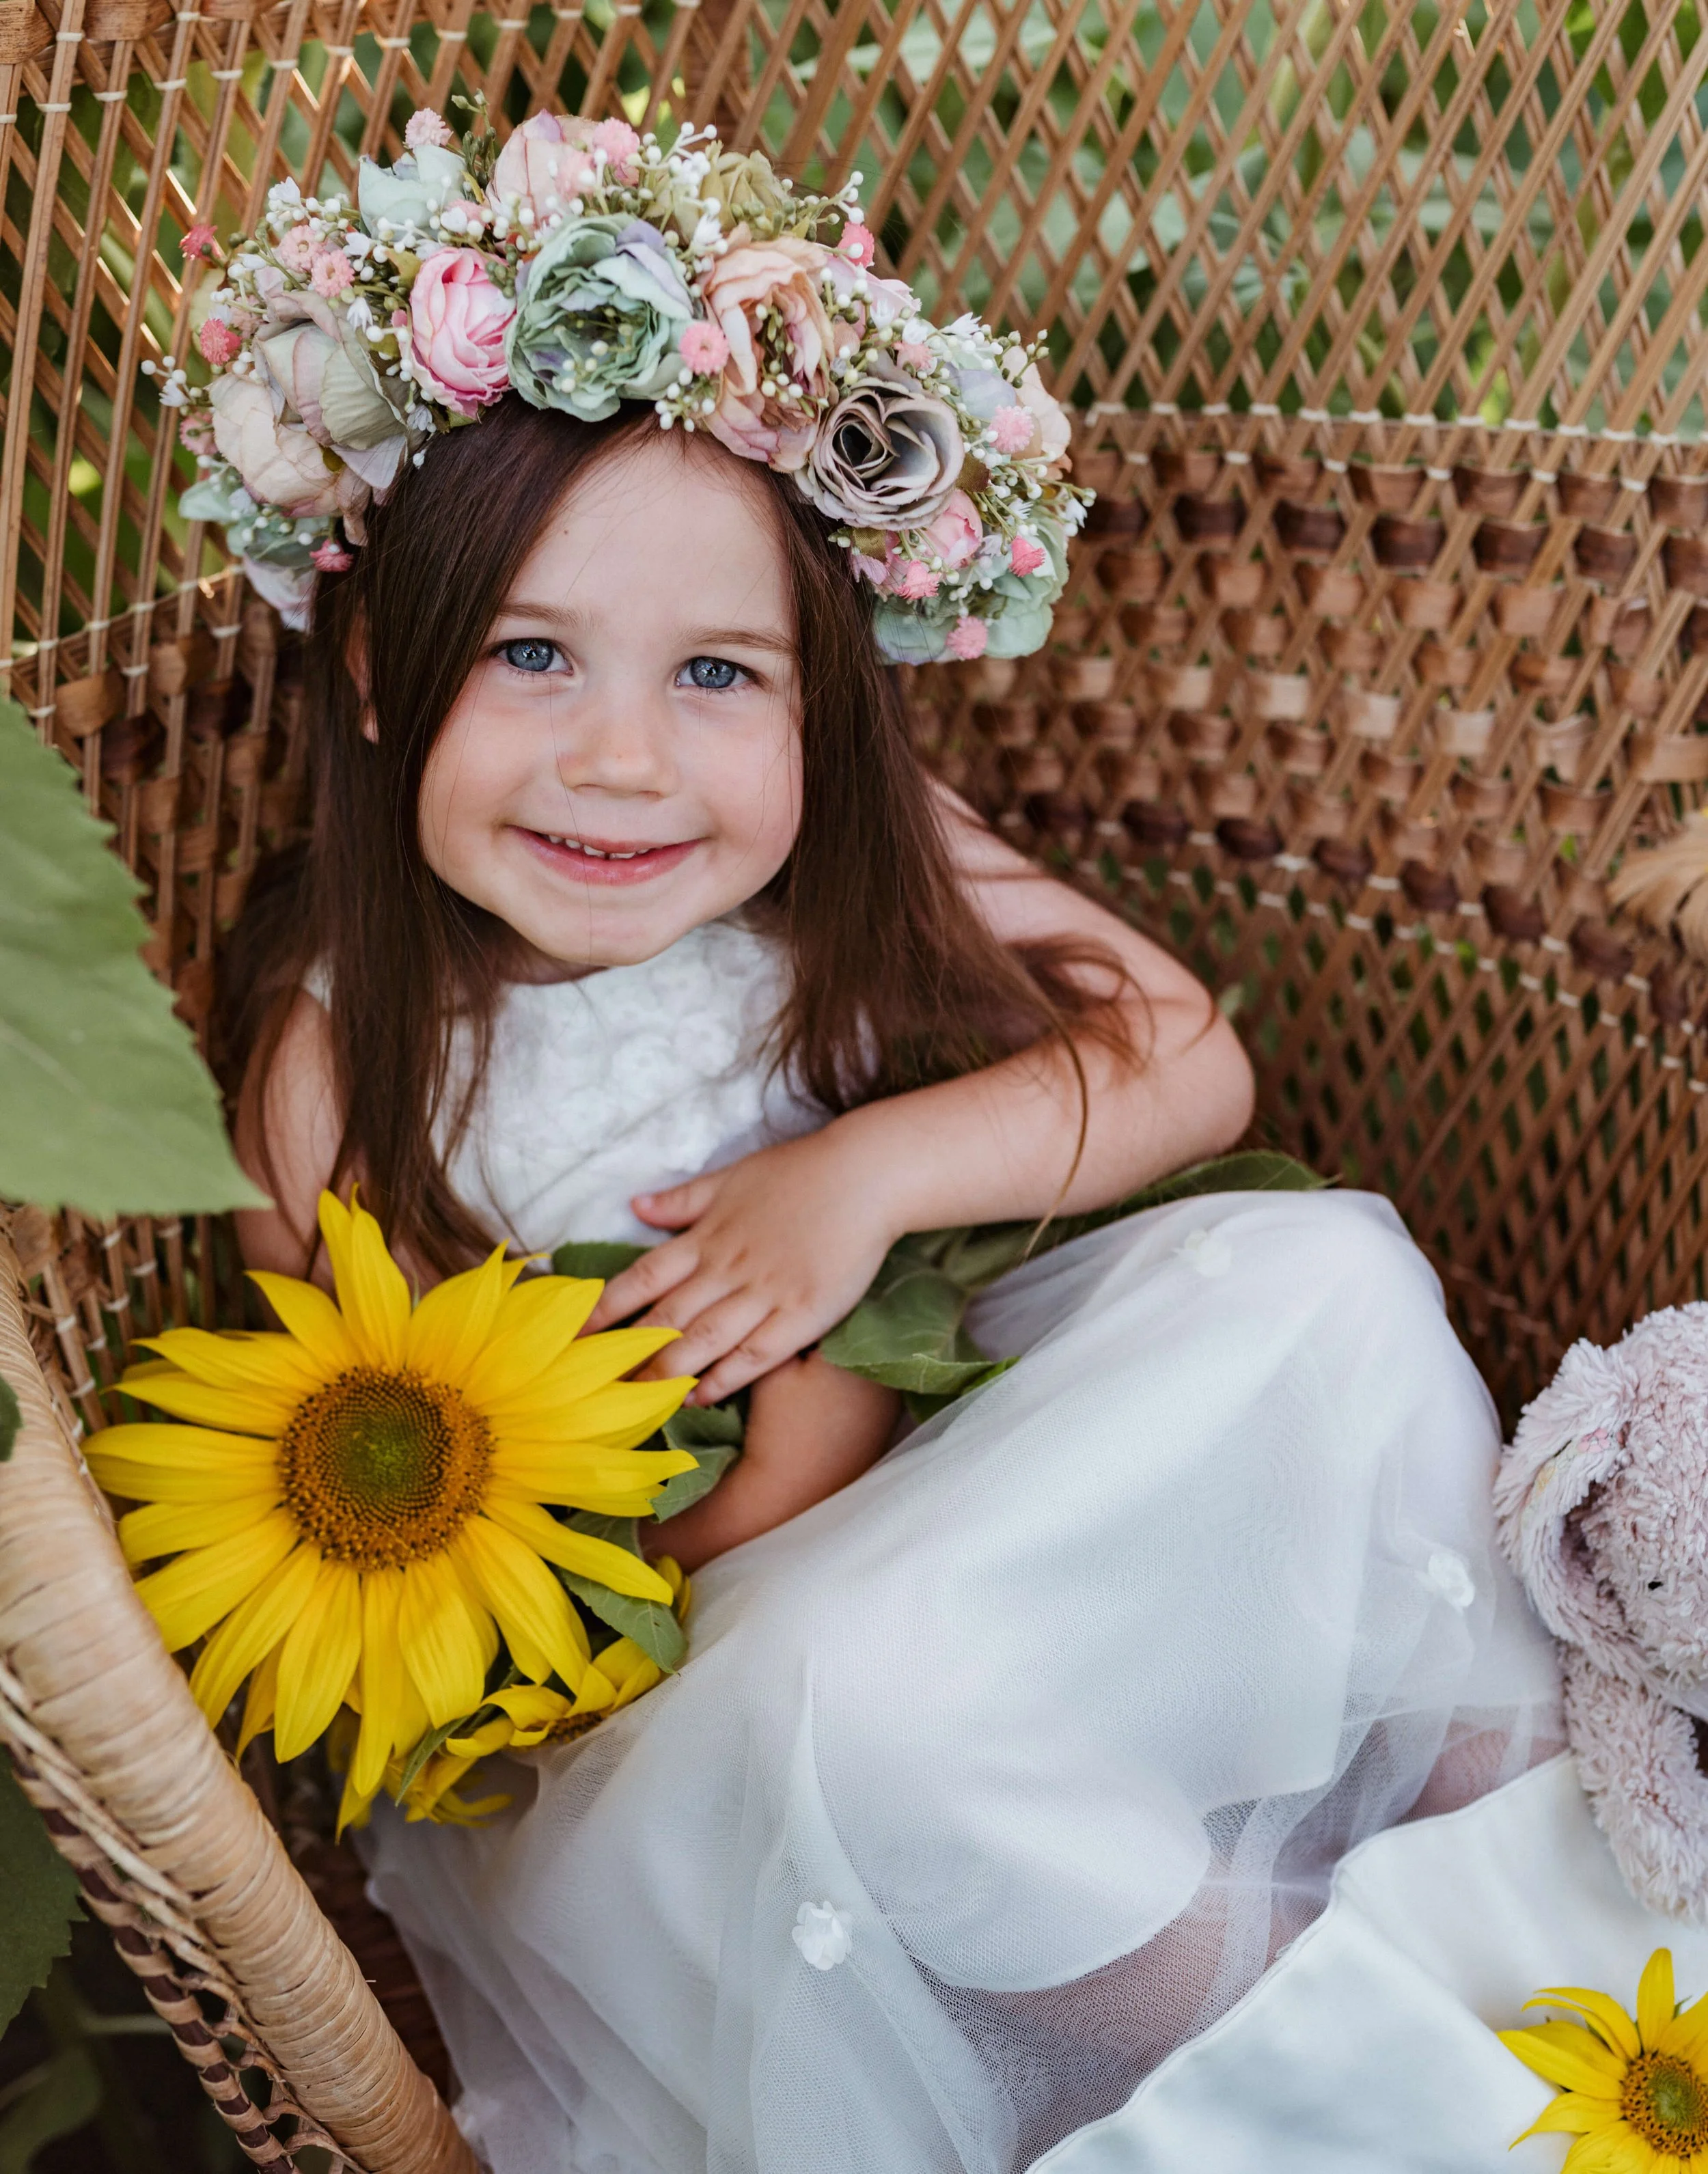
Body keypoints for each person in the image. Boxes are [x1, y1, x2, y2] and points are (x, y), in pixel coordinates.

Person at [204, 121, 1559, 2174]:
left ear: (826, 712)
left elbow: (1184, 1065)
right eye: (532, 654)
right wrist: (803, 1428)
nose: (624, 757)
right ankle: (1313, 2066)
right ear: (387, 676)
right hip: (703, 1658)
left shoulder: (850, 861)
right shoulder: (344, 1059)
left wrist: (863, 1181)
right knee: (903, 1724)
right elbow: (436, 1581)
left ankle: (1516, 1845)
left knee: (1324, 1279)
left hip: (991, 1476)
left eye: (717, 674)